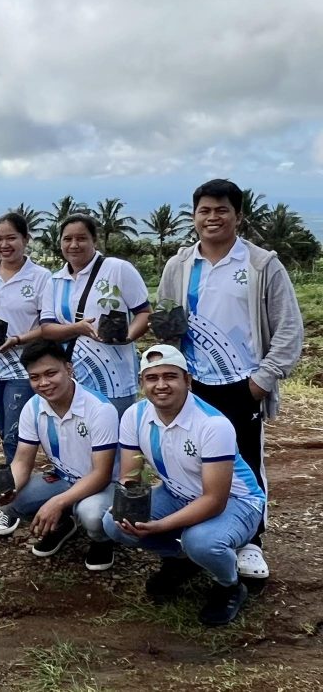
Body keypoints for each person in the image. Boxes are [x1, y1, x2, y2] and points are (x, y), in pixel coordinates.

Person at [158, 179, 303, 582]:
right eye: (204, 210)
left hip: (243, 385)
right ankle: (189, 544)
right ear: (194, 217)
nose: (212, 217)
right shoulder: (179, 266)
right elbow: (168, 322)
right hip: (192, 384)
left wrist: (262, 381)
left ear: (238, 216)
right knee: (186, 461)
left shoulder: (260, 264)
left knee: (244, 464)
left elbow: (290, 328)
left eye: (222, 210)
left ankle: (250, 541)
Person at [103, 345, 266, 626]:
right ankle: (183, 560)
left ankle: (229, 584)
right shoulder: (135, 415)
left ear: (187, 381)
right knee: (113, 521)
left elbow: (215, 500)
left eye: (170, 376)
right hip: (178, 494)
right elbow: (130, 474)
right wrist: (131, 504)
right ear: (142, 383)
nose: (161, 385)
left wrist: (159, 526)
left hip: (237, 502)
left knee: (200, 541)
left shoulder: (213, 424)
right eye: (152, 378)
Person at [0, 340, 118, 570]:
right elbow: (21, 461)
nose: (43, 383)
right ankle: (63, 523)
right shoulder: (33, 407)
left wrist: (56, 502)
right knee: (15, 499)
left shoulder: (100, 410)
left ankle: (102, 540)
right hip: (63, 479)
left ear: (69, 369)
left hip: (102, 485)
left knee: (91, 515)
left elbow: (102, 473)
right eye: (35, 377)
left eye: (51, 373)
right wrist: (8, 487)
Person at [40, 214, 150, 417]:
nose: (74, 245)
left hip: (115, 378)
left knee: (114, 442)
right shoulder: (55, 281)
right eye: (67, 239)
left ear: (94, 240)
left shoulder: (118, 269)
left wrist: (126, 337)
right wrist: (77, 328)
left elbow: (143, 313)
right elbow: (47, 329)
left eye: (81, 238)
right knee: (76, 437)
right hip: (71, 379)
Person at [0, 213, 51, 470]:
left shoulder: (41, 277)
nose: (4, 244)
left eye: (11, 238)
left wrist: (17, 339)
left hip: (23, 365)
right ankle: (15, 480)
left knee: (15, 429)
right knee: (3, 427)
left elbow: (47, 326)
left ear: (25, 239)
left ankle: (14, 491)